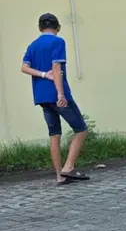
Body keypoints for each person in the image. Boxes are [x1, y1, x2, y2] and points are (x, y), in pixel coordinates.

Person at [21, 13, 89, 185]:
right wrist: (60, 94)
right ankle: (68, 167)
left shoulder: (33, 45)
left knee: (54, 134)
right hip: (57, 94)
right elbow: (56, 66)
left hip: (41, 96)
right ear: (58, 27)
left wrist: (43, 75)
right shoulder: (57, 42)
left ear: (39, 28)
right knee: (81, 129)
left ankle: (59, 176)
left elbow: (24, 67)